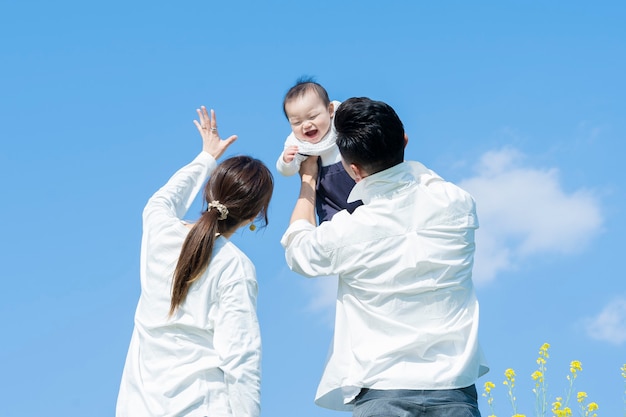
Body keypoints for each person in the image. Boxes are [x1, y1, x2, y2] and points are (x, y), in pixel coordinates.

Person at [280, 97, 489, 416]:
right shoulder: (457, 204)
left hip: (381, 387)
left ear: (353, 170)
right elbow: (423, 177)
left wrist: (308, 182)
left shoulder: (349, 232)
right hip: (455, 387)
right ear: (405, 141)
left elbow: (297, 248)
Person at [116, 106, 274, 417]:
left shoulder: (160, 230)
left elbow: (162, 200)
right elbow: (241, 358)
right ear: (255, 216)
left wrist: (206, 158)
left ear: (208, 192)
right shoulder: (235, 267)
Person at [276, 78, 362, 223]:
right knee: (331, 222)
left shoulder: (340, 122)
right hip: (329, 196)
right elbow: (286, 171)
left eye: (312, 116)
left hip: (355, 181)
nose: (306, 125)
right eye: (297, 122)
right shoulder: (298, 144)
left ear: (330, 110)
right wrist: (286, 161)